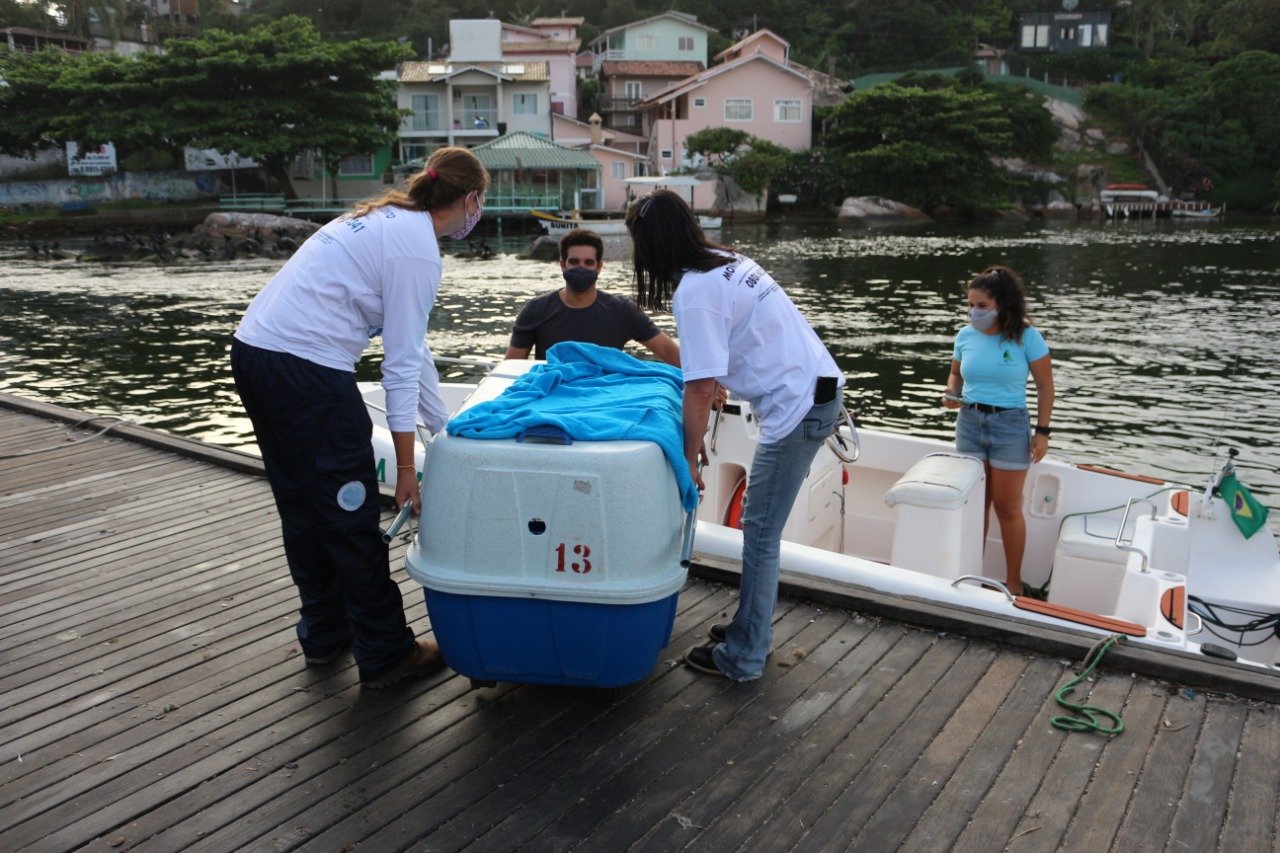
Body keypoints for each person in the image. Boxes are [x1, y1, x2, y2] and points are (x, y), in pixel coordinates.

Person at [230, 146, 490, 688]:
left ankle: (325, 632)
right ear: (470, 199)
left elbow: (412, 350)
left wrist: (441, 432)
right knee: (349, 513)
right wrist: (406, 470)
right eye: (480, 202)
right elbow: (399, 368)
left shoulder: (380, 217)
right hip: (305, 372)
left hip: (255, 354)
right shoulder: (417, 249)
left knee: (304, 504)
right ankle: (387, 652)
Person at [625, 189, 844, 682]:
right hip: (815, 390)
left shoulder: (695, 291)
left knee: (760, 534)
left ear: (650, 245)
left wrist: (687, 456)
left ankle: (744, 656)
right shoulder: (727, 260)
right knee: (759, 528)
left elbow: (700, 386)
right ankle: (749, 627)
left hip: (798, 408)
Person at [941, 265, 1054, 596]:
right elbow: (955, 374)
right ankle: (970, 575)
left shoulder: (1027, 336)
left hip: (1010, 426)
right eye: (970, 305)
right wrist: (951, 392)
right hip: (970, 423)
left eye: (982, 306)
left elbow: (1045, 386)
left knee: (1007, 507)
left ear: (1002, 304)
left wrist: (1042, 432)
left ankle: (1014, 582)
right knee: (975, 505)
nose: (974, 312)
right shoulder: (965, 336)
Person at [505, 228, 682, 367]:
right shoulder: (535, 310)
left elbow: (667, 350)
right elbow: (510, 367)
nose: (581, 268)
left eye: (589, 263)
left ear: (599, 267)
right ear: (563, 265)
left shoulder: (622, 310)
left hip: (605, 395)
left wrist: (699, 384)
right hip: (554, 394)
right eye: (574, 262)